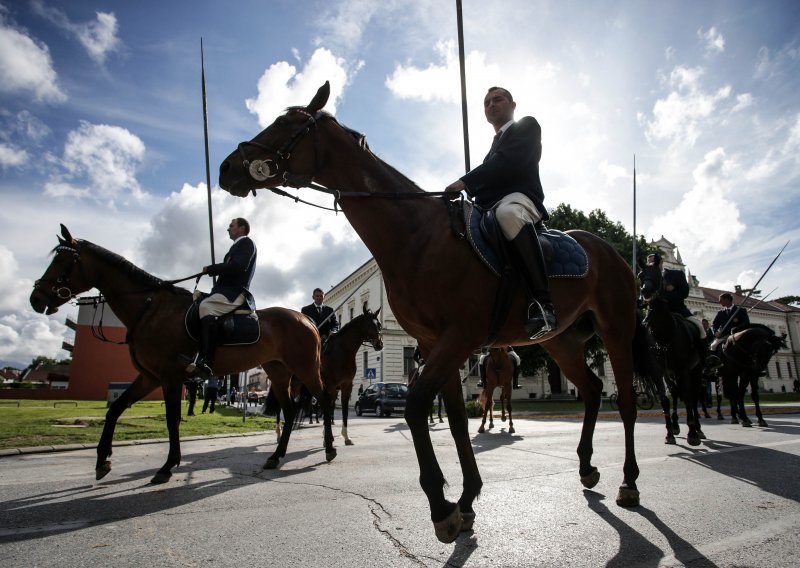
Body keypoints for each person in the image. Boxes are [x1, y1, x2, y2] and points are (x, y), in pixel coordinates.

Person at [445, 86, 556, 340]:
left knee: (508, 214)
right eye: (486, 103)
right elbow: (487, 181)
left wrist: (465, 181)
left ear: (512, 105)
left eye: (498, 99)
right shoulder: (490, 151)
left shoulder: (527, 126)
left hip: (521, 200)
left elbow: (506, 163)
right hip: (489, 209)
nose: (491, 105)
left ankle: (543, 304)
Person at [186, 218, 257, 380]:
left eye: (231, 225)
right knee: (195, 299)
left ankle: (206, 361)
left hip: (234, 292)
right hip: (224, 291)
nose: (228, 228)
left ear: (242, 228)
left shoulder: (246, 243)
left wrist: (211, 269)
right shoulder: (236, 246)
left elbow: (238, 267)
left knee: (206, 307)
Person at [646, 253, 718, 368]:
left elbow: (684, 292)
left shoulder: (676, 274)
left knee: (699, 327)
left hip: (678, 311)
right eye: (648, 262)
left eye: (653, 262)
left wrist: (665, 296)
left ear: (660, 262)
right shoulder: (649, 278)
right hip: (656, 314)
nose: (650, 264)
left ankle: (707, 360)